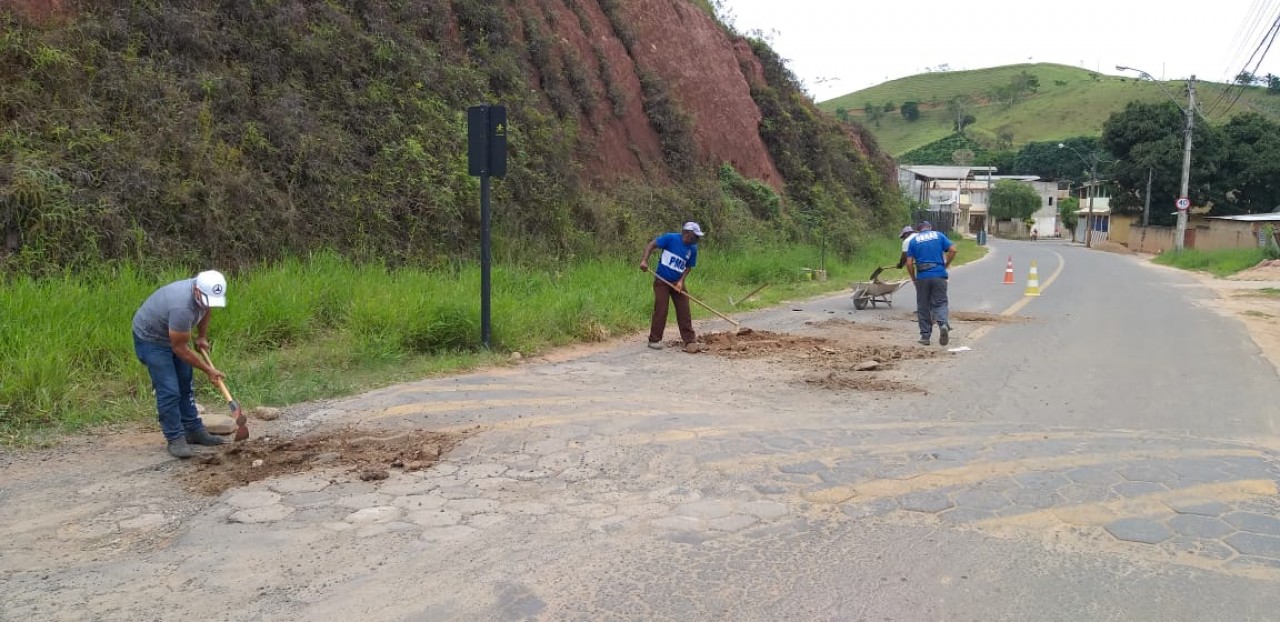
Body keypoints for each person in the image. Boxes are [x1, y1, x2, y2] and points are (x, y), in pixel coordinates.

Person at [132, 270, 230, 458]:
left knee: (185, 382)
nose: (209, 304)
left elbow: (206, 309)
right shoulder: (181, 307)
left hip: (173, 334)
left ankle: (193, 430)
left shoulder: (204, 293)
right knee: (169, 389)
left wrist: (201, 336)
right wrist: (208, 370)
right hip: (151, 340)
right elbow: (180, 348)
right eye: (206, 299)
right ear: (196, 291)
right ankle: (175, 438)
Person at [639, 222, 703, 349]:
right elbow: (652, 245)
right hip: (662, 280)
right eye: (695, 236)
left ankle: (689, 340)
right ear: (687, 233)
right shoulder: (670, 238)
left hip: (677, 282)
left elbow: (688, 267)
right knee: (661, 309)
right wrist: (644, 260)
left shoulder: (692, 249)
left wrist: (681, 282)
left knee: (684, 308)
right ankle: (654, 340)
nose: (697, 239)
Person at [905, 221, 958, 346]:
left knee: (923, 306)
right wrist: (946, 265)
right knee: (940, 303)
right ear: (930, 228)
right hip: (939, 275)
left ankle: (925, 337)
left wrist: (913, 278)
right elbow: (953, 250)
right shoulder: (938, 235)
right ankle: (943, 324)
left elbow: (908, 263)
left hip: (923, 276)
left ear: (918, 230)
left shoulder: (913, 241)